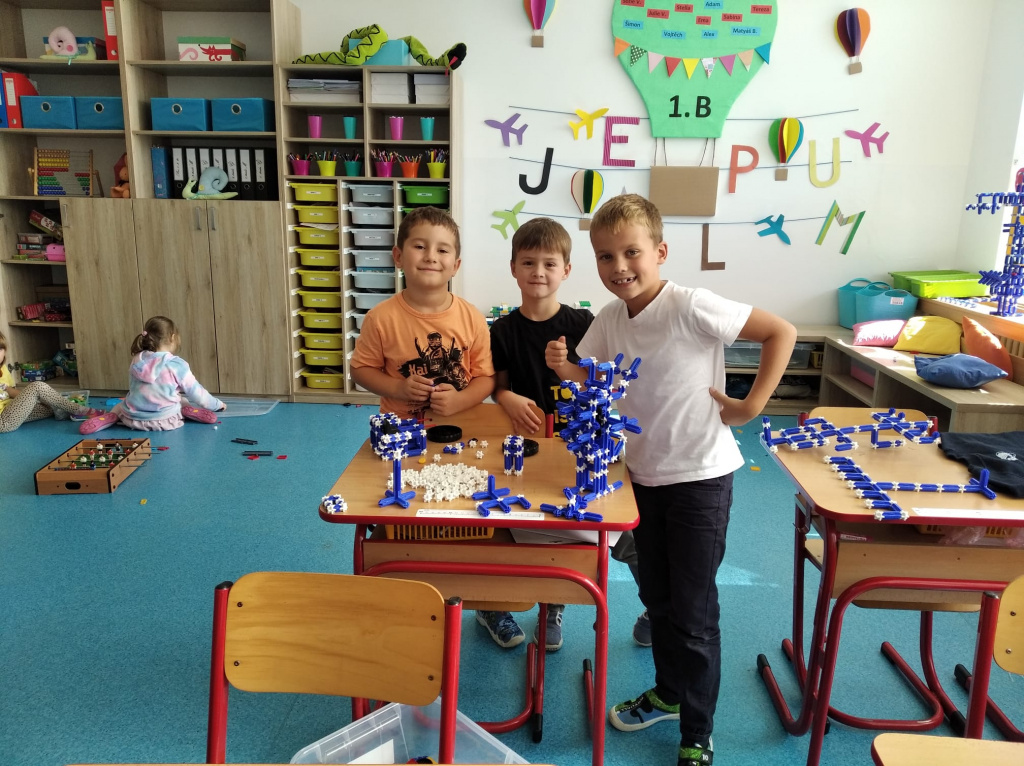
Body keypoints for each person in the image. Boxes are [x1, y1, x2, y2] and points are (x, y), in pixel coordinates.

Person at [546, 194, 796, 766]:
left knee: (693, 611)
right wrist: (566, 368)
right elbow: (595, 376)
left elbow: (780, 331)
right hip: (642, 477)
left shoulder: (690, 304)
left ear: (659, 252)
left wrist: (752, 405)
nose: (619, 267)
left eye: (631, 252)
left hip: (700, 478)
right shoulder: (610, 318)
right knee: (657, 597)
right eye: (605, 256)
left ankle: (697, 732)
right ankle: (668, 692)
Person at [480, 217, 648, 653]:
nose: (538, 272)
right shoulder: (502, 330)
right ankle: (511, 604)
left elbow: (604, 381)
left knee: (622, 534)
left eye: (549, 263)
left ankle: (657, 607)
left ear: (566, 270)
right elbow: (498, 385)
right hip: (530, 450)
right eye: (528, 262)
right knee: (526, 528)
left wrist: (568, 368)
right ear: (513, 268)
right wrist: (507, 398)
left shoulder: (583, 322)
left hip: (581, 449)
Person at [351, 206, 494, 419]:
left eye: (442, 250)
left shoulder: (473, 318)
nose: (430, 257)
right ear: (398, 256)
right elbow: (361, 370)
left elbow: (486, 378)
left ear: (455, 266)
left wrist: (460, 400)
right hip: (403, 426)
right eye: (419, 246)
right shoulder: (380, 318)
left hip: (462, 425)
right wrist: (398, 388)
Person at [79, 316, 225, 434]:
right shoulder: (177, 364)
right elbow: (198, 393)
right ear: (173, 337)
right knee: (182, 400)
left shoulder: (137, 359)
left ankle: (110, 417)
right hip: (165, 420)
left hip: (133, 419)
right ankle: (187, 410)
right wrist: (217, 405)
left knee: (120, 405)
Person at [0, 331, 102, 433]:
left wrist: (32, 399)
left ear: (4, 351)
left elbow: (11, 392)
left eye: (0, 349)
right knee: (37, 386)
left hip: (10, 411)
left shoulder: (3, 368)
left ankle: (64, 412)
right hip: (3, 422)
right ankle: (79, 410)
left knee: (52, 406)